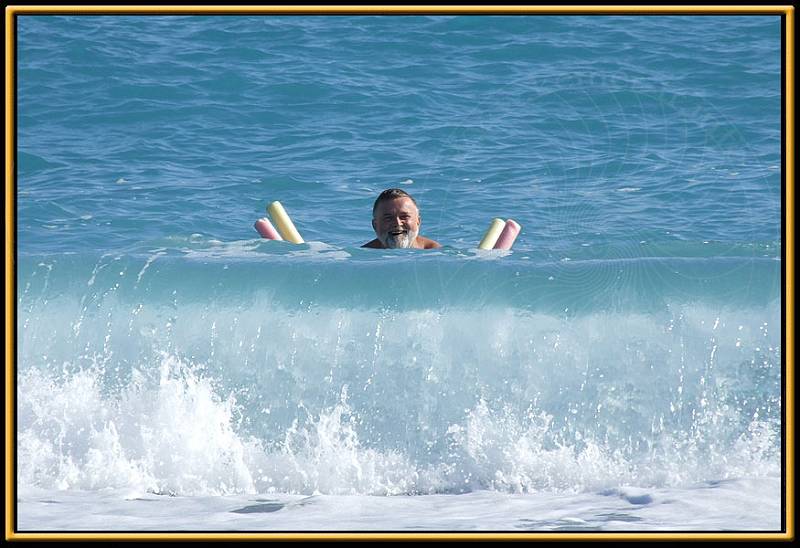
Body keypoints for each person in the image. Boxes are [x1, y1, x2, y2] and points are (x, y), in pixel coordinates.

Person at [362, 188, 442, 249]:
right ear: (375, 225)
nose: (397, 223)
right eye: (388, 218)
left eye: (404, 217)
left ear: (418, 221)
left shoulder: (434, 252)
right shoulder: (364, 257)